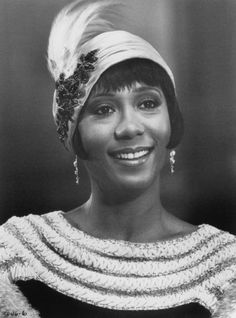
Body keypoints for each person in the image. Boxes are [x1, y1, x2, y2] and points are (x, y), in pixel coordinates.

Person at [0, 1, 236, 317]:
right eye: (104, 110)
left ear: (172, 123)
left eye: (148, 103)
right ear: (75, 136)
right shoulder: (17, 253)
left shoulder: (224, 266)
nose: (130, 127)